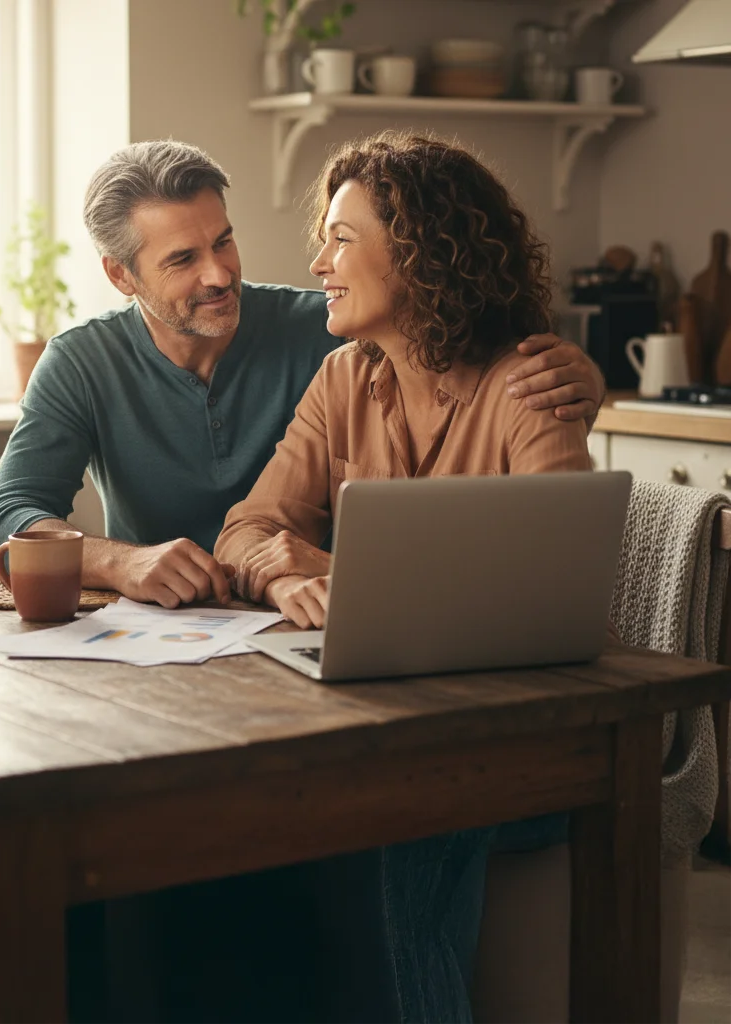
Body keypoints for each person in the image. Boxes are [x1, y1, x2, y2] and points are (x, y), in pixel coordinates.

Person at [215, 130, 595, 1021]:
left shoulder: (528, 386)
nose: (319, 264)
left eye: (342, 240)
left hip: (515, 735)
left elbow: (553, 586)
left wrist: (337, 571)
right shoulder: (343, 378)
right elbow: (246, 529)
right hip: (381, 723)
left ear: (421, 253)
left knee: (403, 818)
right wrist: (283, 576)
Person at [0, 140, 605, 610]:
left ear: (421, 257)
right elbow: (7, 511)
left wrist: (587, 387)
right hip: (198, 631)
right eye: (183, 259)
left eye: (223, 242)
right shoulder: (82, 361)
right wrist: (121, 563)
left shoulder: (335, 331)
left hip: (326, 624)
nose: (219, 274)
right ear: (121, 275)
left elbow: (555, 582)